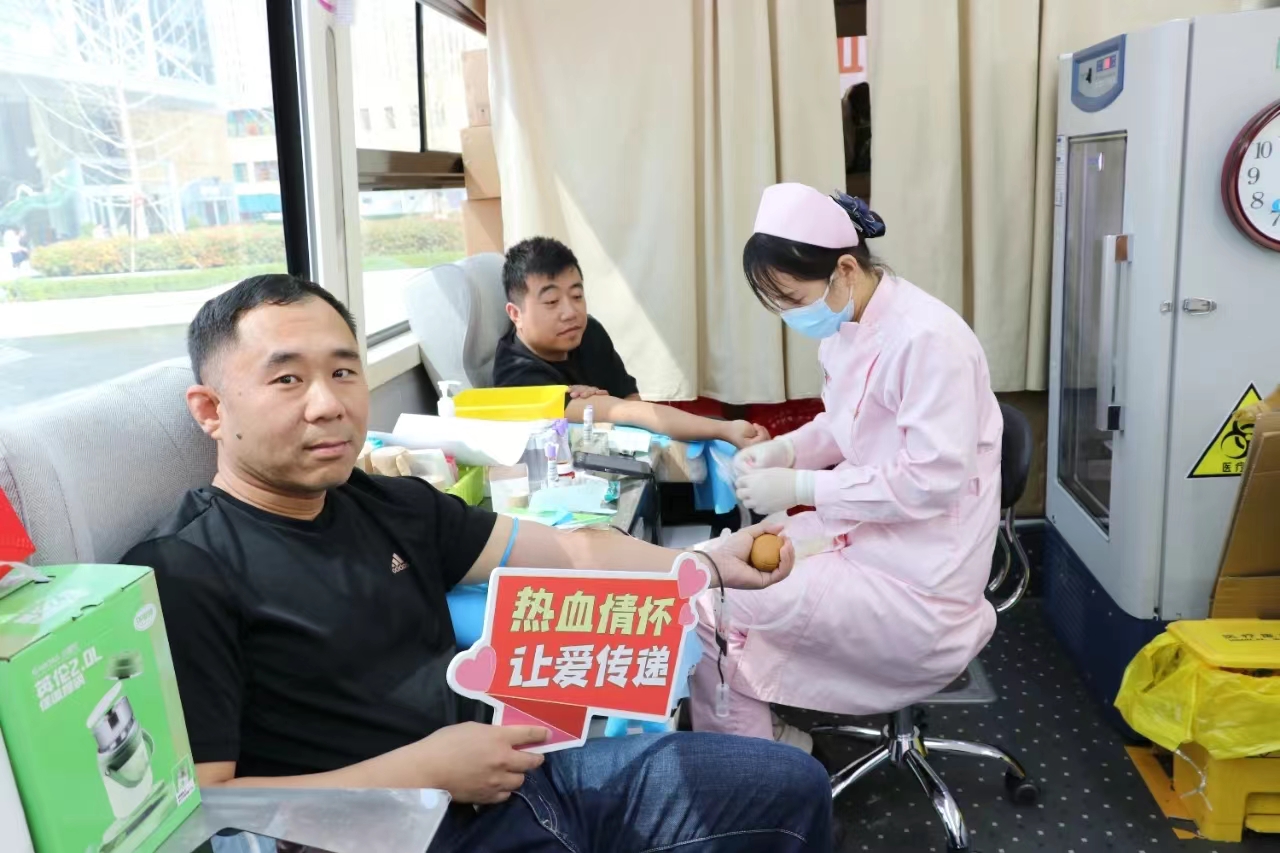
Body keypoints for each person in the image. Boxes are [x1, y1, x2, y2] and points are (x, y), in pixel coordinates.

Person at [121, 274, 833, 852]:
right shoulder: (184, 572)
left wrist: (704, 562)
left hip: (520, 778)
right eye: (287, 380)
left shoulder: (390, 504)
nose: (328, 403)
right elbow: (204, 804)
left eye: (343, 371)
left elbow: (571, 548)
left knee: (789, 784)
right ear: (211, 410)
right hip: (392, 832)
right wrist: (422, 772)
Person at [687, 184, 1001, 753]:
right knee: (709, 570)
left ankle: (752, 773)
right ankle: (764, 740)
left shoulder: (928, 341)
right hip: (866, 538)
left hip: (918, 581)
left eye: (792, 298)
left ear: (846, 270)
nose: (789, 315)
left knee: (707, 602)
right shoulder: (847, 326)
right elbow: (845, 422)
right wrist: (787, 451)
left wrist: (804, 484)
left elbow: (930, 481)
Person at [494, 236, 770, 449]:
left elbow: (630, 401)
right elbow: (629, 412)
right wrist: (725, 430)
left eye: (577, 296)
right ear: (515, 314)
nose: (570, 312)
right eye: (552, 301)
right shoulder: (517, 378)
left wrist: (608, 406)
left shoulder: (587, 332)